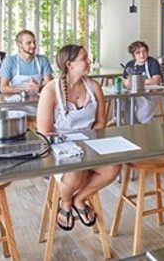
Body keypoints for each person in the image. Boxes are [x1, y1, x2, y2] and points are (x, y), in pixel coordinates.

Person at [37, 45, 120, 231]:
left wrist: (88, 144)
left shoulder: (94, 87)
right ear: (70, 65)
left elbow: (100, 122)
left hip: (90, 145)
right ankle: (65, 203)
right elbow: (44, 132)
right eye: (85, 58)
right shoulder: (50, 91)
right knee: (76, 171)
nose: (89, 61)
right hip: (60, 148)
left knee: (113, 168)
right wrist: (74, 147)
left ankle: (79, 199)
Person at [0, 30, 54, 95]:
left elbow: (50, 85)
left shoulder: (43, 60)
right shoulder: (9, 61)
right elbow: (3, 88)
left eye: (34, 42)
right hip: (16, 102)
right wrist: (25, 89)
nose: (33, 45)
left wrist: (39, 87)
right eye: (29, 43)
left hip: (39, 102)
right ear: (19, 45)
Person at [122, 41, 162, 124]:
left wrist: (138, 81)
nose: (142, 55)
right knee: (122, 100)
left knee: (144, 106)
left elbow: (156, 79)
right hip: (134, 92)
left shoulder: (152, 62)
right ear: (133, 55)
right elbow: (125, 79)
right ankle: (128, 123)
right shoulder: (130, 64)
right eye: (138, 53)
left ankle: (142, 126)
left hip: (151, 94)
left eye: (144, 51)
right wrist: (126, 82)